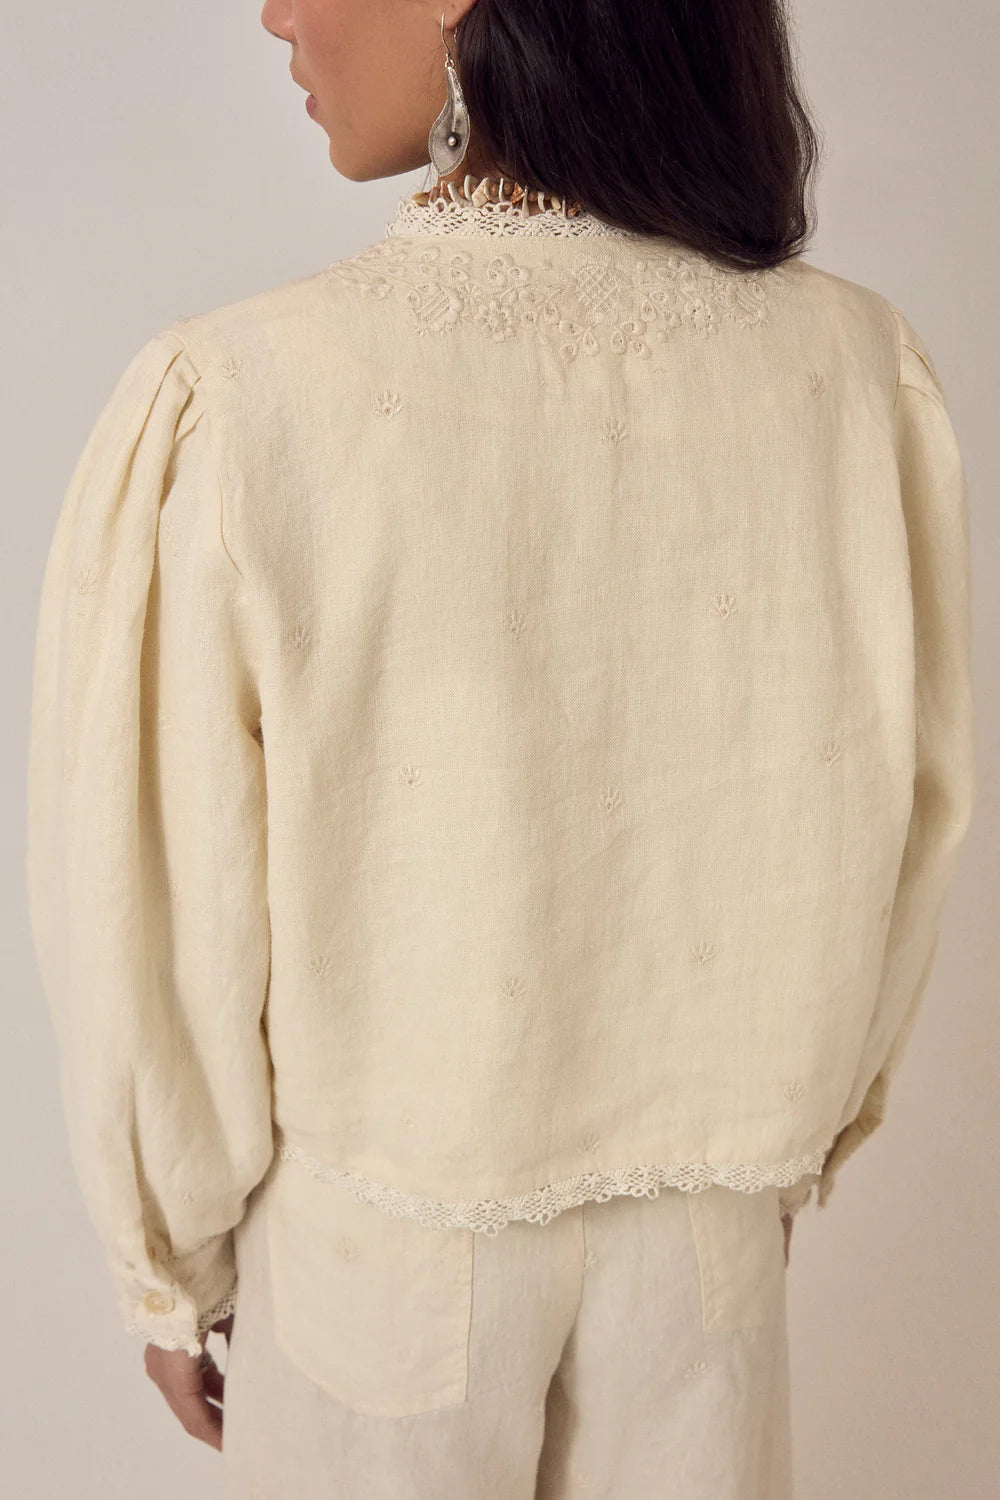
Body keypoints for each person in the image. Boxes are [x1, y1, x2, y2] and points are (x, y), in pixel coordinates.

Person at [25, 1, 975, 1495]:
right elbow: (910, 813)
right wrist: (782, 1139)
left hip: (380, 1271)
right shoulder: (851, 366)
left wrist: (173, 1265)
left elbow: (158, 897)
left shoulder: (254, 394)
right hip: (711, 1257)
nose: (276, 13)